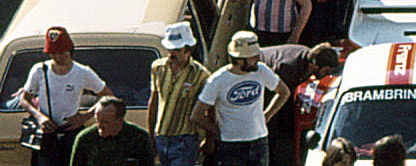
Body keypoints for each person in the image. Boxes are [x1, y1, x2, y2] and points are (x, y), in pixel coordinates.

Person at [192, 33, 288, 166]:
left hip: (259, 141)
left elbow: (284, 92)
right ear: (239, 59)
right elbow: (197, 115)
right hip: (231, 146)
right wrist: (218, 131)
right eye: (253, 56)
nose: (257, 58)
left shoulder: (262, 71)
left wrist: (267, 115)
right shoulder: (217, 80)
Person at [19, 27, 106, 166]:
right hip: (48, 132)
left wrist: (85, 116)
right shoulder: (39, 70)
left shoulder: (83, 72)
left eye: (61, 53)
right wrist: (39, 117)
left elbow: (107, 96)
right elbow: (24, 100)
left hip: (71, 131)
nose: (58, 57)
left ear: (70, 51)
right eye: (53, 53)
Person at [257, 43, 338, 166]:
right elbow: (277, 96)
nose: (326, 75)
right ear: (315, 64)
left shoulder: (307, 56)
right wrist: (266, 118)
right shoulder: (289, 69)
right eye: (326, 70)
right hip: (261, 81)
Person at [147, 23, 210, 166]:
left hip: (185, 139)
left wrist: (209, 139)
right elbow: (154, 101)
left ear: (188, 50)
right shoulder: (158, 68)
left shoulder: (201, 75)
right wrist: (151, 136)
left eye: (176, 49)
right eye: (169, 49)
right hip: (161, 135)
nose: (171, 54)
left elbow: (208, 109)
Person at [69, 98, 153, 166]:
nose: (100, 126)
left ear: (120, 121)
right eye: (97, 121)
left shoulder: (139, 137)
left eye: (105, 122)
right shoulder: (85, 138)